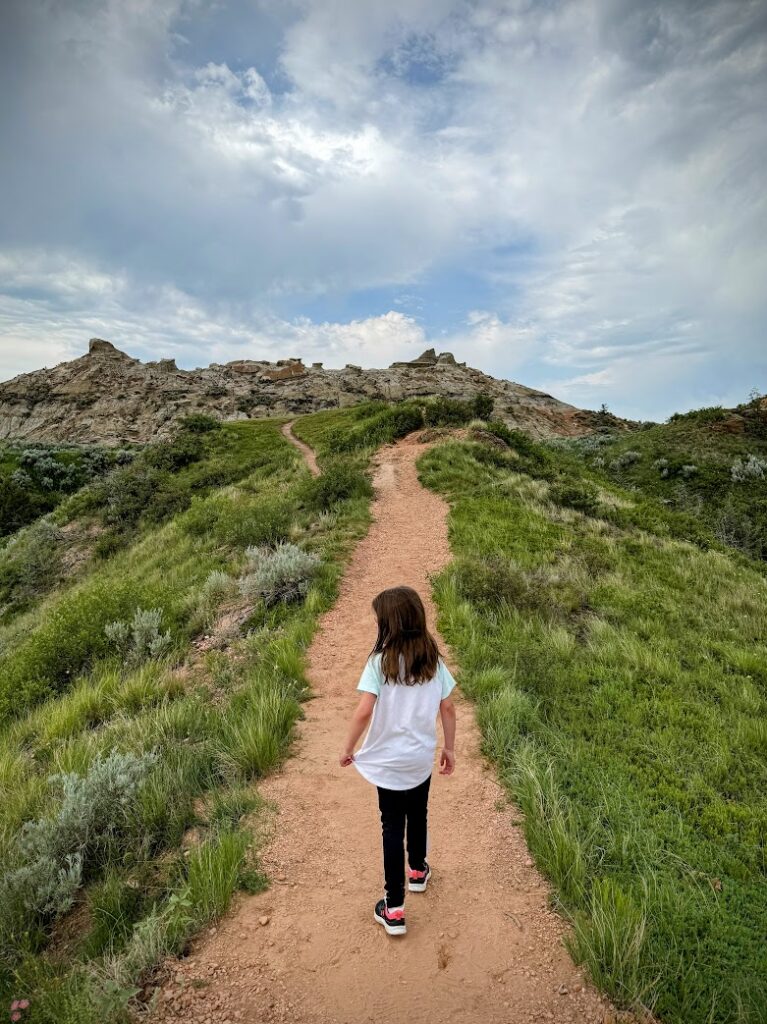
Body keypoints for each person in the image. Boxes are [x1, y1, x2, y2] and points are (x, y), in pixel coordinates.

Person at [339, 585, 457, 936]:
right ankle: (418, 872)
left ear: (389, 625)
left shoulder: (379, 663)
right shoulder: (434, 662)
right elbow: (448, 707)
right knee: (418, 813)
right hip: (419, 759)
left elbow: (363, 711)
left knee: (391, 827)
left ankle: (394, 909)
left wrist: (348, 748)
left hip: (389, 763)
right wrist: (449, 749)